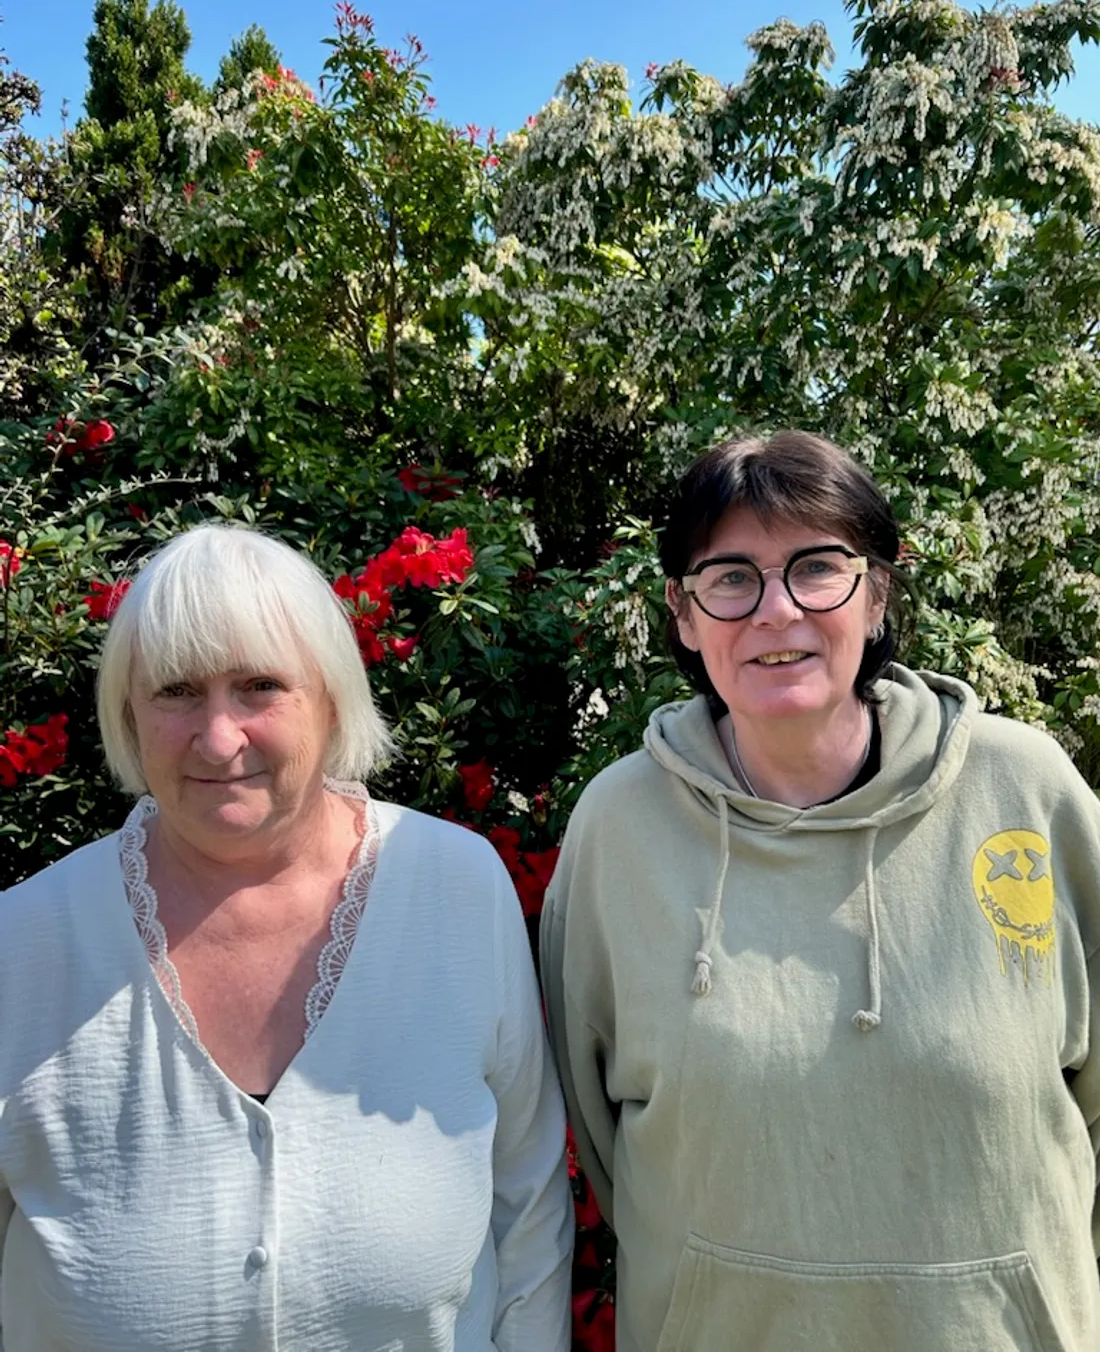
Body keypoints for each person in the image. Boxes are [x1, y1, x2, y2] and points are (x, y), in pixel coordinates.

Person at [541, 429, 1100, 1352]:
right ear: (684, 613)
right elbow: (599, 1132)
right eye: (731, 576)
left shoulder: (1027, 793)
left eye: (818, 567)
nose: (777, 609)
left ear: (876, 593)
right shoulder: (619, 827)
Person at [0, 523, 572, 1352]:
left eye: (260, 686)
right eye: (176, 691)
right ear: (128, 711)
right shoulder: (25, 942)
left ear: (332, 698)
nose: (219, 736)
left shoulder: (455, 890)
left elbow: (529, 1205)